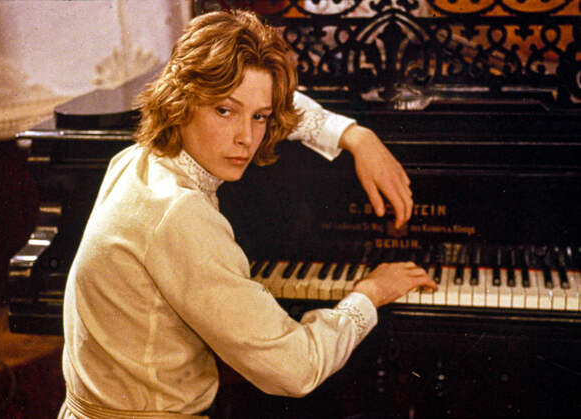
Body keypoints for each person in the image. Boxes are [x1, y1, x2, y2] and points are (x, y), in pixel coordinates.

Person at [58, 9, 437, 419]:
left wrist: (354, 135)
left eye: (260, 117)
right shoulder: (180, 213)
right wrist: (369, 294)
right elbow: (297, 369)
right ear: (181, 100)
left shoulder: (137, 160)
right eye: (225, 111)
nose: (246, 138)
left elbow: (268, 100)